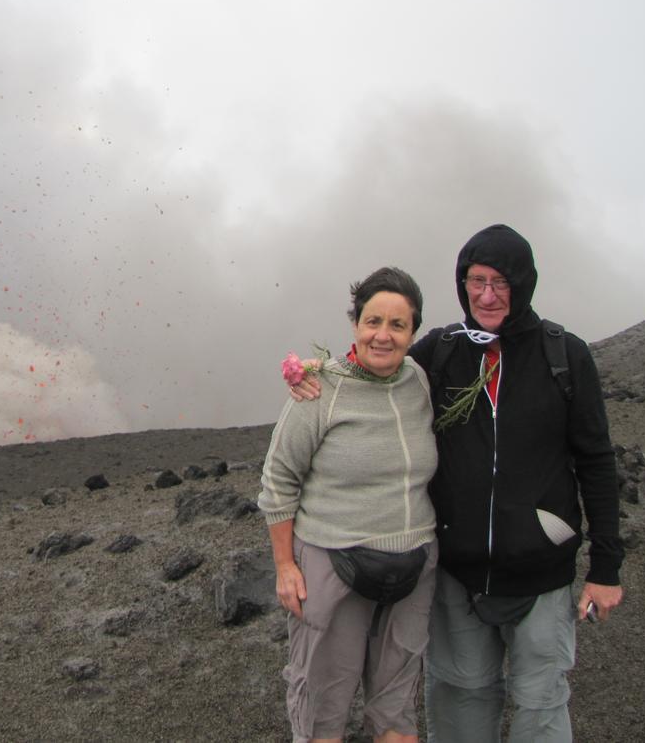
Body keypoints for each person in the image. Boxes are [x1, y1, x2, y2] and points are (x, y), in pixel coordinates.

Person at [288, 225, 624, 742]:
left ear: (524, 283)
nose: (487, 295)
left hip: (541, 574)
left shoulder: (564, 356)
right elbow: (376, 365)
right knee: (461, 697)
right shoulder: (442, 352)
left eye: (501, 282)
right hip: (457, 576)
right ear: (462, 282)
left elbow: (597, 462)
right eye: (475, 280)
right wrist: (314, 370)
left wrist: (605, 568)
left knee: (541, 703)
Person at [260, 266, 439, 743]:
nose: (383, 335)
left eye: (397, 325)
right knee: (324, 710)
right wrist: (284, 565)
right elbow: (279, 481)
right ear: (355, 326)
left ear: (413, 333)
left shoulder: (419, 382)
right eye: (372, 321)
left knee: (398, 716)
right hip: (332, 565)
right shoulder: (319, 392)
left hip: (413, 568)